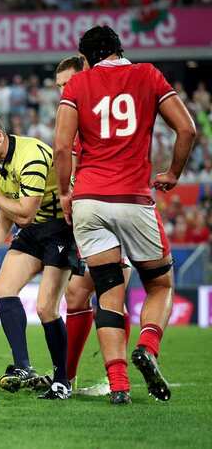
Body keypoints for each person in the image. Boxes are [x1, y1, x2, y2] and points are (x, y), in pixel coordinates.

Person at [54, 25, 196, 404]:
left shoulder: (78, 86)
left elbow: (62, 146)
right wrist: (172, 174)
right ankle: (148, 347)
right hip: (133, 197)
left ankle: (119, 387)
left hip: (88, 200)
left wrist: (65, 192)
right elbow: (187, 129)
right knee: (160, 284)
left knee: (108, 292)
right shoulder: (147, 75)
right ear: (119, 48)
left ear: (86, 58)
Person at [0, 111, 73, 400]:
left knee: (46, 308)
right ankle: (24, 367)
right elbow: (7, 208)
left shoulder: (31, 156)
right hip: (34, 230)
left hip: (62, 228)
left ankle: (62, 380)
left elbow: (24, 214)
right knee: (2, 288)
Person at [55, 55, 134, 396]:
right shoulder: (74, 117)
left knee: (110, 294)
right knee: (75, 293)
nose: (62, 91)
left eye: (66, 84)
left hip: (116, 209)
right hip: (88, 215)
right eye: (58, 86)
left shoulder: (103, 120)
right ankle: (67, 377)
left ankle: (114, 377)